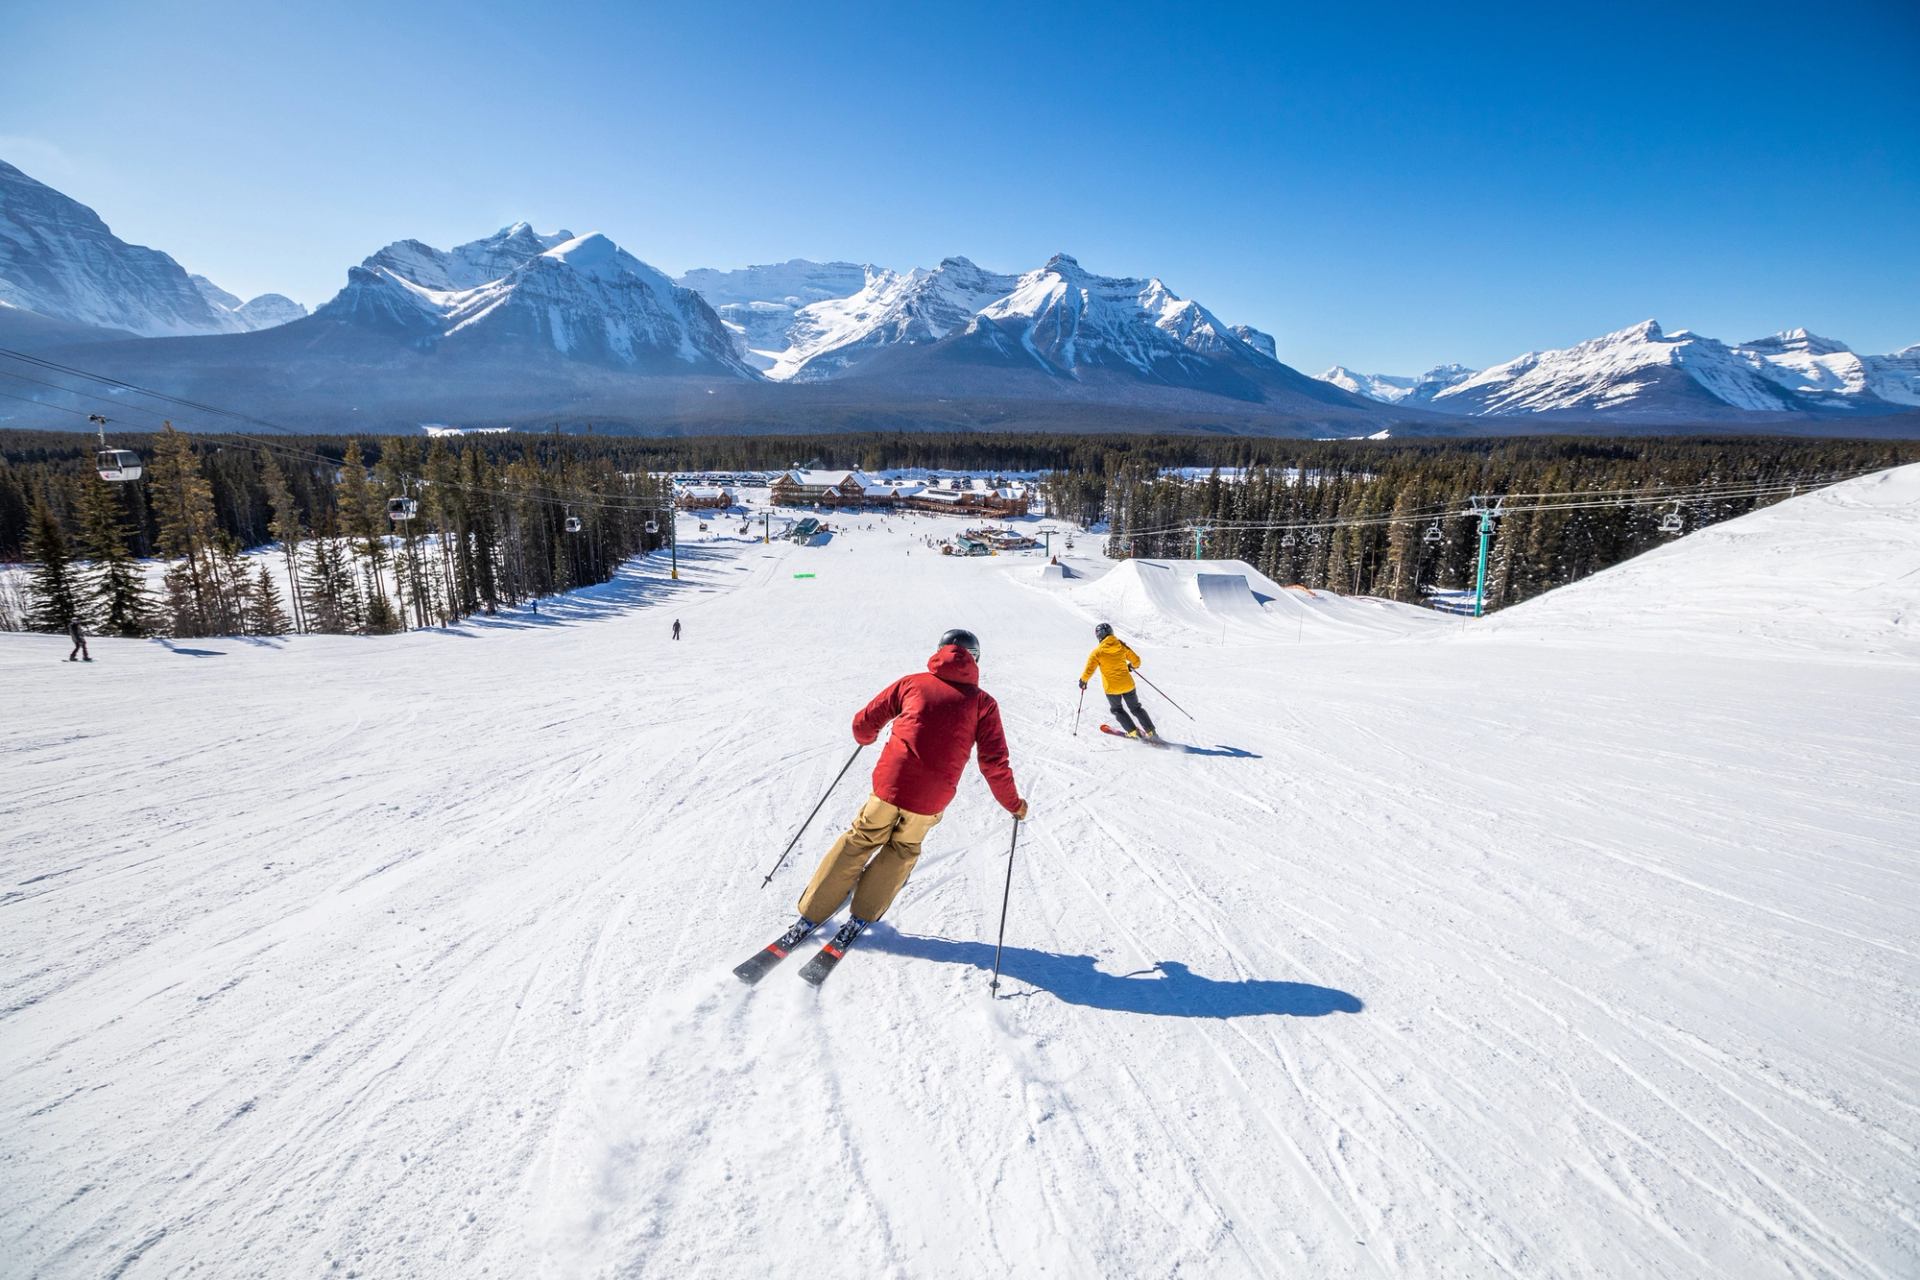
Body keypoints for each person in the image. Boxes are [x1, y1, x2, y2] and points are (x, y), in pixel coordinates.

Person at [774, 628, 1028, 961]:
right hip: (930, 799)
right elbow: (994, 763)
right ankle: (862, 915)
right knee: (902, 849)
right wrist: (1014, 804)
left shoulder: (912, 683)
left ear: (939, 651)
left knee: (859, 840)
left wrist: (866, 736)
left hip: (889, 786)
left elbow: (864, 722)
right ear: (976, 660)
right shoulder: (983, 704)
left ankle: (813, 910)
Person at [1080, 622, 1155, 739]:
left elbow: (1089, 669)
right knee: (1136, 708)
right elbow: (1137, 661)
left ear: (1099, 636)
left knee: (1117, 710)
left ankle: (1133, 732)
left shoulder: (1097, 652)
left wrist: (1083, 681)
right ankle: (1151, 732)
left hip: (1111, 688)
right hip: (1128, 685)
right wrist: (1131, 666)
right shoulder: (1121, 645)